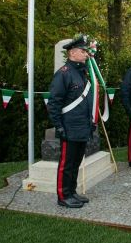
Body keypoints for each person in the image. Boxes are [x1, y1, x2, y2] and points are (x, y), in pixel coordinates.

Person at [48, 35, 94, 208]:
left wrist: (90, 122)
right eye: (83, 51)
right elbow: (54, 103)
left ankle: (72, 191)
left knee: (75, 162)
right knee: (66, 164)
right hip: (69, 126)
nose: (86, 54)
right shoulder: (64, 74)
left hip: (82, 126)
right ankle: (63, 196)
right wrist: (59, 126)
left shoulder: (81, 73)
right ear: (73, 53)